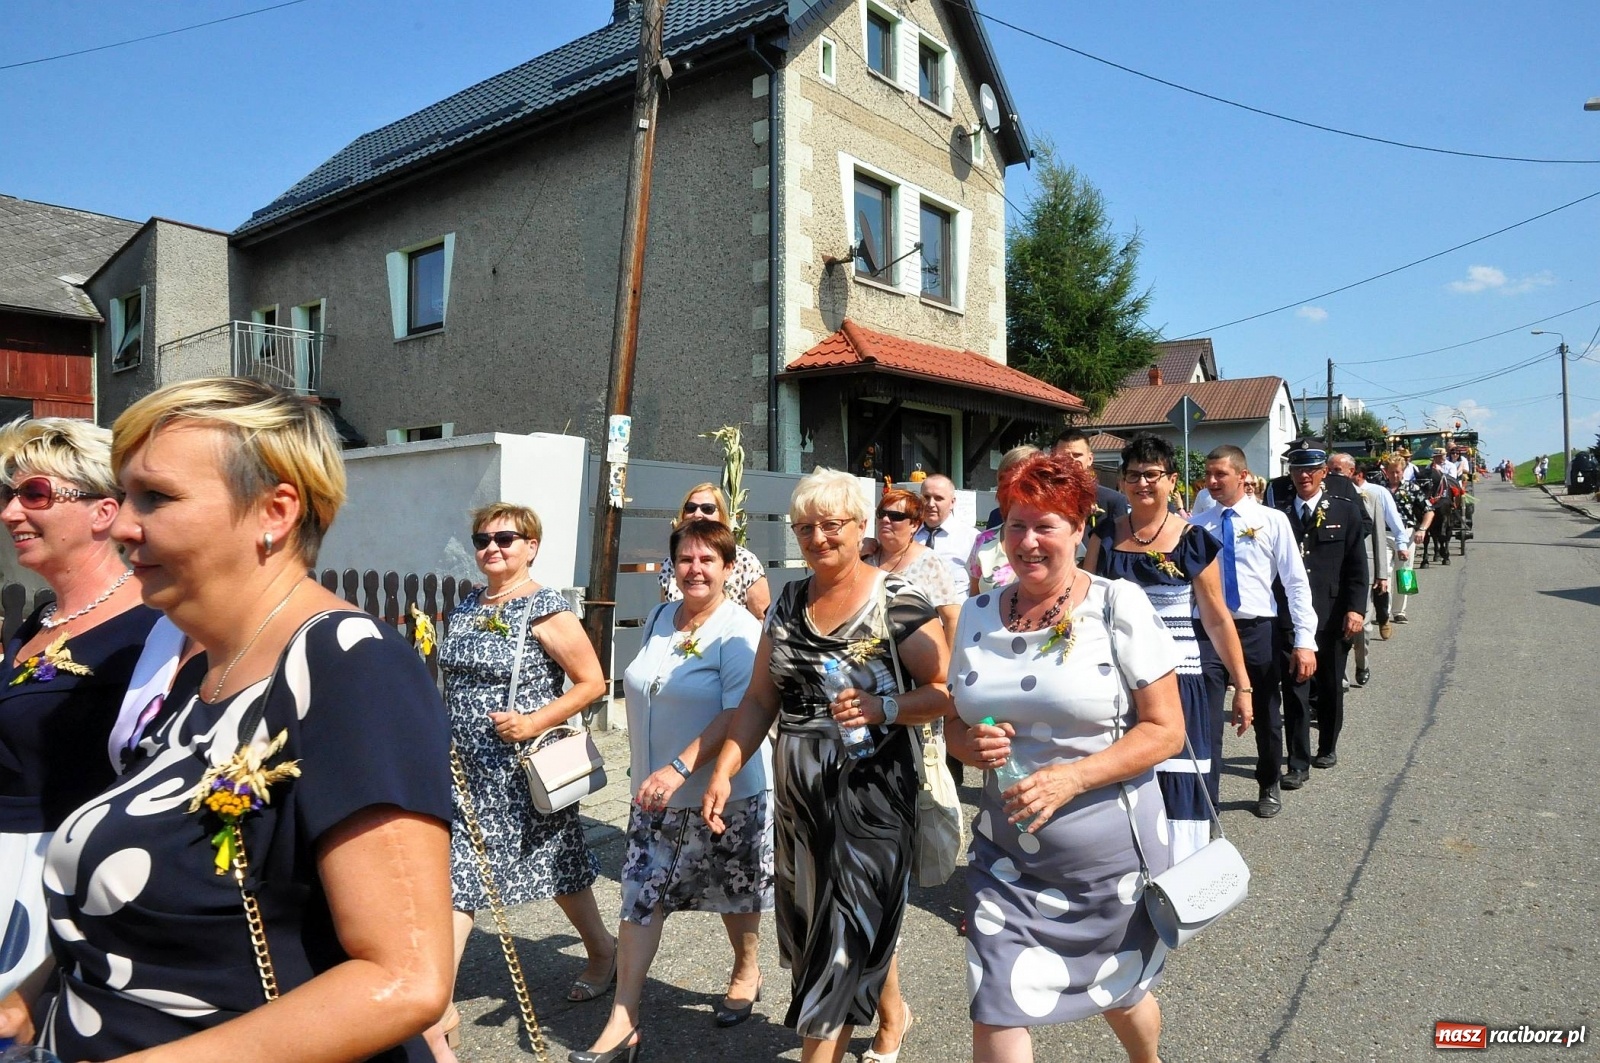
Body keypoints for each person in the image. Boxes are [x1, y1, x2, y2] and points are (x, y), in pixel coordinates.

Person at [17, 378, 455, 1061]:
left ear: (273, 510)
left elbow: (404, 978)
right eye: (127, 495)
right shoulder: (207, 674)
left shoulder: (348, 665)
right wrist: (26, 1001)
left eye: (155, 497)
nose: (126, 525)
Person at [701, 468, 950, 1063]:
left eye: (830, 525)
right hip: (802, 800)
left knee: (840, 938)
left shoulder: (897, 601)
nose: (817, 538)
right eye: (805, 528)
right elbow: (762, 698)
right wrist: (725, 768)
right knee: (829, 926)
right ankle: (892, 1013)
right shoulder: (787, 601)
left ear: (860, 527)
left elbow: (944, 691)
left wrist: (882, 706)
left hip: (873, 798)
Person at [944, 453, 1186, 1063]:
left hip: (1108, 859)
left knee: (1119, 991)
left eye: (1046, 525)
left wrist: (1072, 777)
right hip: (1006, 857)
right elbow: (954, 720)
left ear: (1080, 531)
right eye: (1015, 525)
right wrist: (966, 743)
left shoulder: (1116, 605)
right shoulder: (974, 615)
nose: (1027, 541)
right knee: (996, 999)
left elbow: (1166, 732)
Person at [577, 521, 772, 1063]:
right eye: (685, 559)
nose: (695, 569)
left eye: (708, 560)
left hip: (722, 793)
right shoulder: (662, 618)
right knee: (640, 898)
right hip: (655, 796)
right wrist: (652, 771)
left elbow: (739, 711)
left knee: (736, 896)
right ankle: (624, 1020)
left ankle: (746, 968)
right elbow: (647, 688)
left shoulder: (738, 629)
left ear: (730, 569)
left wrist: (680, 766)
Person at [0, 418, 159, 1035]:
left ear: (103, 512)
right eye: (9, 495)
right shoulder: (38, 620)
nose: (13, 511)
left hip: (66, 885)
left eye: (35, 494)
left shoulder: (149, 631)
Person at [439, 501, 614, 1042]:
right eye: (483, 539)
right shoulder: (469, 603)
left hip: (523, 771)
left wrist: (532, 720)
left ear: (531, 546)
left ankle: (604, 953)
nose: (492, 547)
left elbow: (592, 683)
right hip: (465, 770)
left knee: (559, 867)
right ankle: (435, 1003)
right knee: (459, 877)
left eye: (506, 539)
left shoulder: (546, 608)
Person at [1085, 435, 1253, 858]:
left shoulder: (1192, 538)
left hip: (1179, 679)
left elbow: (1216, 616)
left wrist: (1243, 687)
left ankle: (1181, 879)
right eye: (1134, 475)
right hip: (1116, 682)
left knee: (1179, 779)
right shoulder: (1103, 537)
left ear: (1172, 480)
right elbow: (1085, 606)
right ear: (1121, 482)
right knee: (1122, 774)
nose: (1143, 483)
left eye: (1152, 474)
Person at [1191, 446, 1318, 818]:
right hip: (1210, 630)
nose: (1211, 482)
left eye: (1220, 475)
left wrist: (1304, 640)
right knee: (1209, 716)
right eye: (1208, 475)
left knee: (1265, 709)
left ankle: (1268, 782)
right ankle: (1207, 797)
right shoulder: (1199, 526)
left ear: (1243, 476)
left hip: (1256, 627)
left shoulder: (1271, 520)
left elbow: (1295, 583)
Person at [1271, 446, 1368, 789]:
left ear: (1324, 472)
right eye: (1297, 471)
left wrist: (1356, 609)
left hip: (1331, 616)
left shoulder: (1346, 511)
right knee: (1295, 690)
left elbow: (1357, 566)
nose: (1304, 476)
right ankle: (1297, 762)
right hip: (1291, 618)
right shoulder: (1278, 515)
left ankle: (1327, 745)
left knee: (1329, 687)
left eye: (1311, 469)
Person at [660, 483, 771, 620]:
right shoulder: (670, 563)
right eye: (691, 508)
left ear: (722, 515)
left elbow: (764, 619)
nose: (697, 514)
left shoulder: (745, 561)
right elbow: (666, 617)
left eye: (707, 509)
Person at [865, 487, 961, 638]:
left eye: (895, 516)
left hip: (914, 654)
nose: (885, 520)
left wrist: (947, 660)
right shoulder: (865, 557)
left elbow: (952, 619)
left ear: (914, 525)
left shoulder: (929, 562)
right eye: (881, 514)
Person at [967, 446, 1038, 597]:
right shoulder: (984, 542)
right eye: (1008, 480)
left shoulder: (1061, 536)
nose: (1016, 488)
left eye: (1028, 480)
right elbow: (975, 601)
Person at [1050, 427, 1131, 545]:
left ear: (1090, 459)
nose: (1071, 460)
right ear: (1054, 458)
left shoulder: (1113, 501)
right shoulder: (1043, 498)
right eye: (1064, 456)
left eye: (1077, 455)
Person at [914, 473, 975, 604]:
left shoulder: (971, 538)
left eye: (938, 498)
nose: (930, 504)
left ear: (952, 502)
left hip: (954, 619)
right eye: (926, 497)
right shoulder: (908, 534)